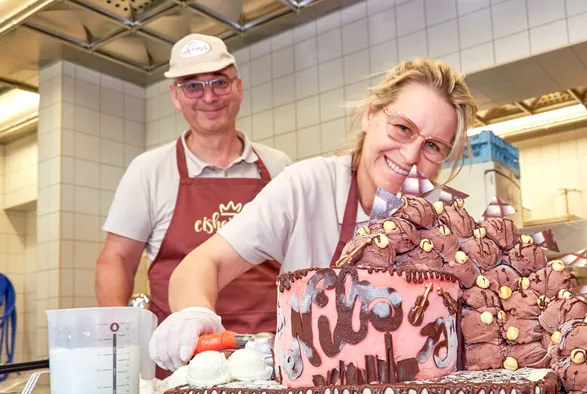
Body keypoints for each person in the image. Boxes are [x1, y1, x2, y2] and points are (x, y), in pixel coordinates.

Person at [148, 58, 479, 373]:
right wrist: (194, 314)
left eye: (433, 146)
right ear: (370, 115)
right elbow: (204, 263)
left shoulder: (443, 227)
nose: (410, 156)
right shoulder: (307, 186)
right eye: (402, 127)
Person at [97, 33, 293, 378]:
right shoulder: (149, 171)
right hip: (181, 367)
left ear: (238, 87)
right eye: (192, 86)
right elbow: (116, 259)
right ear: (175, 96)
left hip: (269, 358)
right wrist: (120, 343)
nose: (209, 96)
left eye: (220, 82)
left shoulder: (280, 168)